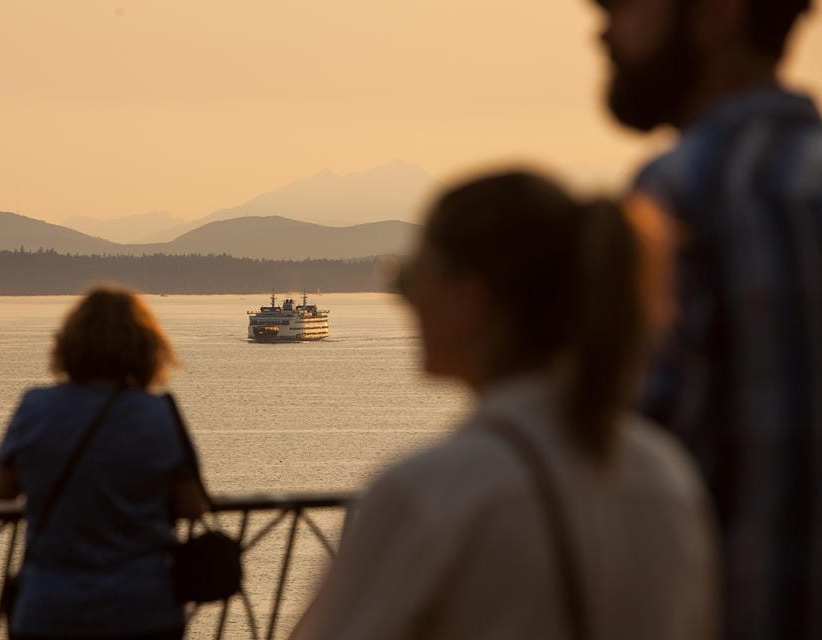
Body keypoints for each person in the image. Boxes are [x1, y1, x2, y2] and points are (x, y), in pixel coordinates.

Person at [291, 171, 716, 640]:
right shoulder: (668, 477)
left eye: (409, 280)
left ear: (468, 299)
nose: (404, 301)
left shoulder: (431, 493)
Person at [592, 0, 822, 636]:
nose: (602, 30)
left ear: (718, 15)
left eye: (622, 6)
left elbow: (630, 470)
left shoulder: (685, 194)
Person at [0, 285, 208, 640]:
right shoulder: (157, 414)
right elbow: (192, 505)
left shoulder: (36, 407)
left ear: (69, 343)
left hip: (52, 608)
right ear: (147, 346)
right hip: (143, 608)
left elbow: (2, 489)